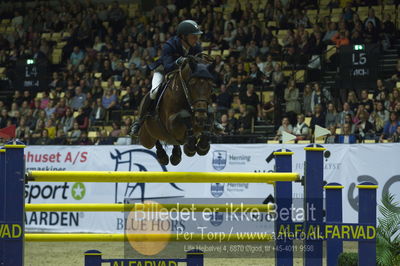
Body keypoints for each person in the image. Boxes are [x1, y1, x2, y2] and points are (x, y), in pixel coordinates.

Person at [131, 20, 223, 135]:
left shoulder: (197, 47)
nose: (196, 39)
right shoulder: (169, 45)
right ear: (183, 36)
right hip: (164, 71)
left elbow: (198, 67)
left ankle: (213, 121)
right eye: (193, 36)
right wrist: (179, 61)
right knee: (154, 92)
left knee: (201, 90)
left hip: (185, 75)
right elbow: (168, 66)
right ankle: (139, 121)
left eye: (197, 36)